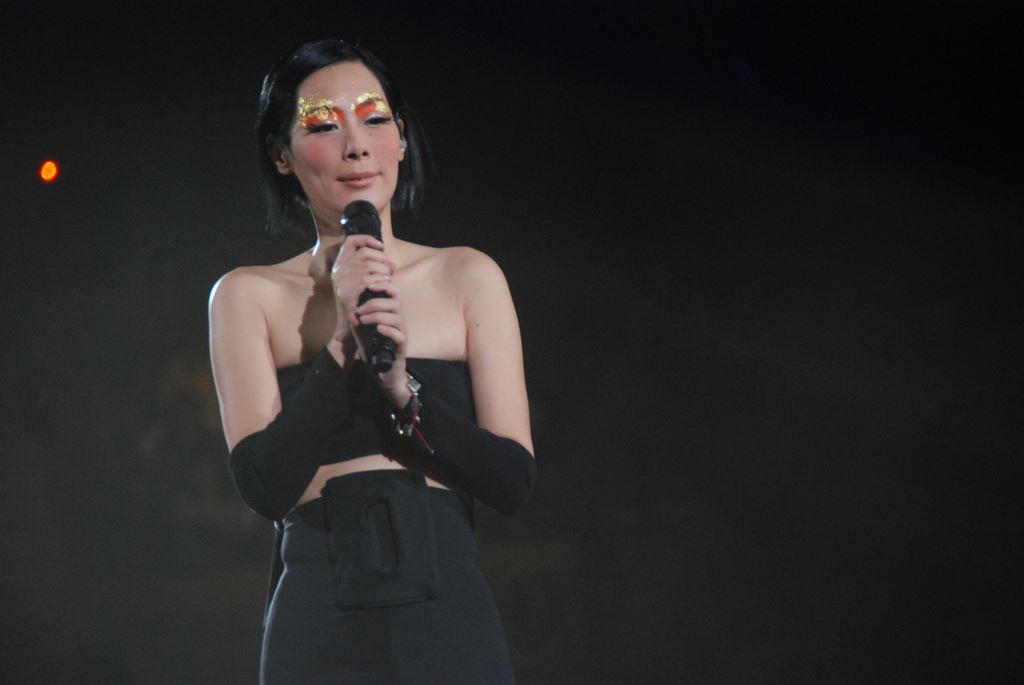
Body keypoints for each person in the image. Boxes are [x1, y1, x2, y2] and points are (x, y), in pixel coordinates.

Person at [207, 39, 536, 684]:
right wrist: (341, 348)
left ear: (402, 138)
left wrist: (401, 390)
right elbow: (264, 484)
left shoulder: (468, 276)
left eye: (374, 118)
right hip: (319, 604)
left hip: (448, 607)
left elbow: (511, 481)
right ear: (281, 154)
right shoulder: (248, 295)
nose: (356, 146)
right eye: (324, 126)